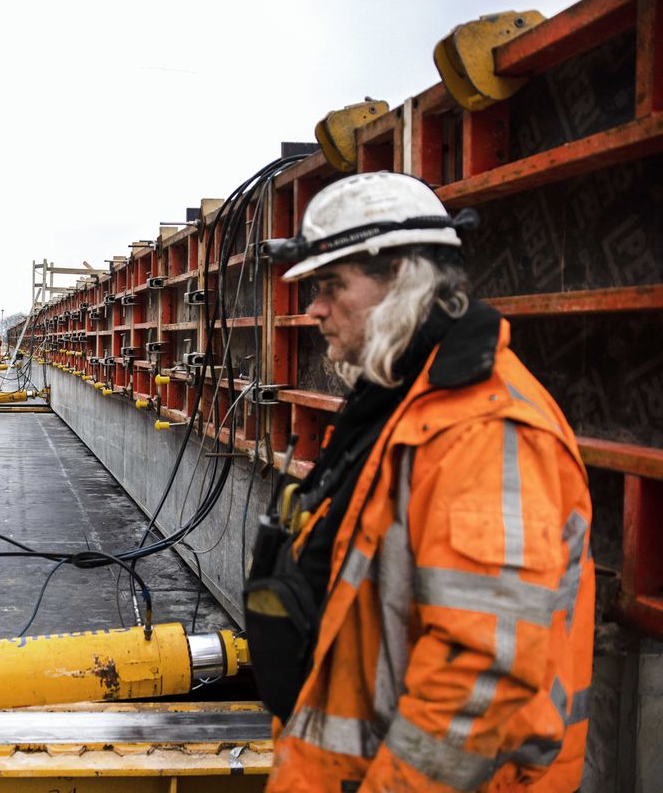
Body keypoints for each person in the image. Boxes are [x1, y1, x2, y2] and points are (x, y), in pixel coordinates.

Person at [247, 172, 593, 792]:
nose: (314, 309)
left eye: (331, 286)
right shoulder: (400, 406)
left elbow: (480, 675)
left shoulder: (485, 431)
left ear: (401, 282)